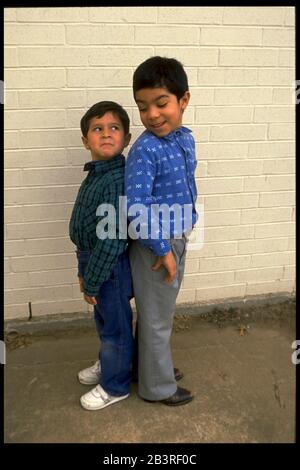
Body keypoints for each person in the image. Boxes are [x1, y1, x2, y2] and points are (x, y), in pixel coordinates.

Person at [125, 56, 198, 406]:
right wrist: (163, 250)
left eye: (161, 103)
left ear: (183, 100)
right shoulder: (145, 150)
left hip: (176, 238)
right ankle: (158, 388)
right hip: (156, 247)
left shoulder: (184, 139)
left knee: (158, 313)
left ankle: (149, 369)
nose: (152, 114)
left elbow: (187, 182)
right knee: (156, 319)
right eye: (142, 107)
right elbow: (136, 207)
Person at [69, 101, 134, 411]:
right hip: (92, 261)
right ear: (86, 141)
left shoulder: (116, 180)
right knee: (105, 320)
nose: (106, 134)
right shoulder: (96, 175)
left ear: (127, 138)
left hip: (108, 266)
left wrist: (92, 280)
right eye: (97, 129)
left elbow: (112, 240)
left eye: (114, 128)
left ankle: (115, 384)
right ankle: (110, 362)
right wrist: (84, 272)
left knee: (115, 327)